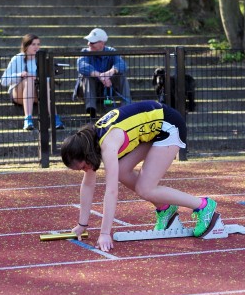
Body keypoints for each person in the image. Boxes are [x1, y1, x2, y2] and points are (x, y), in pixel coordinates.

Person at [60, 100, 219, 251]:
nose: (85, 170)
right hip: (153, 131)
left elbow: (111, 191)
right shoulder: (90, 141)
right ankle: (165, 208)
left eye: (82, 167)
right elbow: (88, 185)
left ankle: (203, 205)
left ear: (86, 155)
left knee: (145, 189)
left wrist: (104, 233)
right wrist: (82, 224)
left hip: (169, 126)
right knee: (122, 171)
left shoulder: (107, 145)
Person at [1, 33, 64, 131]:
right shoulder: (17, 59)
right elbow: (3, 81)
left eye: (38, 44)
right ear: (26, 46)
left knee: (46, 83)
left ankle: (55, 118)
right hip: (18, 94)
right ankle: (28, 119)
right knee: (29, 80)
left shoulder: (41, 59)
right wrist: (20, 75)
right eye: (33, 44)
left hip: (37, 93)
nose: (36, 47)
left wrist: (39, 77)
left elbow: (47, 80)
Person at [74, 28, 131, 119]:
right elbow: (81, 65)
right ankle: (91, 110)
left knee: (121, 76)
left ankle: (127, 107)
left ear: (102, 43)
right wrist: (100, 75)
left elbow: (122, 64)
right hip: (89, 90)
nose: (89, 44)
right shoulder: (85, 52)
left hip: (107, 88)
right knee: (87, 76)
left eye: (92, 42)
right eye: (89, 41)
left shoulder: (111, 51)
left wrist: (110, 73)